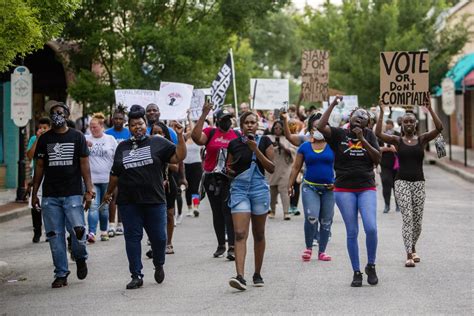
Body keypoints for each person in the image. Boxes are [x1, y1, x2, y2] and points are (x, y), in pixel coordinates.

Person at [102, 105, 186, 289]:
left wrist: (180, 137)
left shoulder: (157, 142)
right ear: (129, 127)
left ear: (145, 124)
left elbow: (179, 156)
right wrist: (108, 193)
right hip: (128, 202)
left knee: (159, 238)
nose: (137, 127)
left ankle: (159, 263)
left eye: (140, 123)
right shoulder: (122, 147)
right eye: (133, 125)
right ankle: (136, 275)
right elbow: (115, 174)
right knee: (132, 238)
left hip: (154, 201)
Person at [317, 96, 381, 287]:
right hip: (344, 188)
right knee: (352, 231)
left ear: (367, 123)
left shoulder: (369, 135)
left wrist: (363, 139)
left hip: (366, 186)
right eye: (357, 115)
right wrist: (333, 104)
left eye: (364, 117)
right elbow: (321, 126)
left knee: (371, 227)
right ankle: (356, 271)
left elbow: (377, 158)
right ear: (350, 117)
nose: (360, 118)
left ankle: (371, 265)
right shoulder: (338, 134)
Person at [31, 100, 95, 288]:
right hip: (51, 195)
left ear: (66, 115)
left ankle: (81, 256)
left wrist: (89, 190)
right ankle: (61, 273)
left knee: (78, 231)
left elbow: (85, 165)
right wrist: (35, 193)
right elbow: (40, 167)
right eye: (53, 113)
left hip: (73, 193)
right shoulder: (44, 139)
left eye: (59, 112)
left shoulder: (77, 137)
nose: (56, 115)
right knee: (54, 235)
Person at [375, 97, 443, 267]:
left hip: (419, 183)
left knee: (417, 221)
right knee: (408, 218)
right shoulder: (397, 140)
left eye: (411, 121)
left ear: (415, 124)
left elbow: (439, 128)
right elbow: (378, 134)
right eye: (405, 121)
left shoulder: (422, 140)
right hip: (402, 182)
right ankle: (408, 255)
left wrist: (430, 109)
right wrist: (382, 112)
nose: (409, 124)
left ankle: (413, 247)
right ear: (402, 124)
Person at [227, 111, 274, 291]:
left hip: (259, 189)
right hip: (239, 189)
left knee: (259, 233)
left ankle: (257, 273)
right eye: (246, 122)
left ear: (257, 125)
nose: (249, 125)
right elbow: (229, 167)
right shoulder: (234, 144)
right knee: (239, 233)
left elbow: (271, 167)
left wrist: (256, 150)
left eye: (252, 122)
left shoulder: (264, 141)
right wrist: (227, 171)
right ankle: (240, 276)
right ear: (241, 126)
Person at [191, 102, 240, 260]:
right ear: (218, 120)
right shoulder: (210, 132)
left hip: (229, 179)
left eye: (229, 118)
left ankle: (232, 246)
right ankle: (221, 245)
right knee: (217, 212)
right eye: (224, 118)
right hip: (212, 178)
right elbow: (196, 138)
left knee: (228, 211)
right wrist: (204, 114)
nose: (227, 121)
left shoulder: (237, 135)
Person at [288, 113, 335, 262]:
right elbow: (296, 167)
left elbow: (342, 167)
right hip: (310, 187)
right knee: (312, 216)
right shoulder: (305, 146)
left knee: (326, 220)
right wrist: (290, 184)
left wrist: (337, 182)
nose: (318, 129)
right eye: (315, 126)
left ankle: (322, 251)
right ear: (311, 129)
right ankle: (308, 248)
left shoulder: (333, 145)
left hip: (329, 189)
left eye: (321, 125)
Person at [85, 113, 118, 242]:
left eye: (95, 127)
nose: (92, 129)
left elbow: (117, 158)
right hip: (92, 180)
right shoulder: (86, 139)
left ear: (101, 126)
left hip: (107, 179)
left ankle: (103, 231)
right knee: (93, 206)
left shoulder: (110, 139)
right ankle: (91, 233)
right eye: (90, 127)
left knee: (104, 208)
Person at [151, 121, 179, 255]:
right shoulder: (147, 147)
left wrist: (163, 160)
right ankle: (156, 243)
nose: (157, 135)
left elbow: (176, 166)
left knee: (169, 214)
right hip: (152, 185)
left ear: (165, 134)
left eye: (159, 133)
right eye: (154, 133)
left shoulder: (169, 147)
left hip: (168, 185)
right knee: (154, 216)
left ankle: (169, 243)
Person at [105, 105, 130, 237]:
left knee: (123, 196)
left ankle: (121, 223)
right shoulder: (107, 133)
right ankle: (111, 224)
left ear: (124, 120)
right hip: (112, 169)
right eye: (116, 118)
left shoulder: (128, 132)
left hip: (127, 169)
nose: (118, 121)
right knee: (112, 195)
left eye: (120, 118)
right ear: (112, 119)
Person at [26, 117, 51, 243]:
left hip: (51, 173)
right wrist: (38, 140)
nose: (42, 130)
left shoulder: (53, 138)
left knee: (49, 203)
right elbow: (30, 155)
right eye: (40, 128)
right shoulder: (33, 139)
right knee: (35, 203)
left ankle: (49, 231)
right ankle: (37, 230)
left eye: (45, 128)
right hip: (37, 173)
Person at [266, 120, 295, 220]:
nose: (277, 129)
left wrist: (283, 147)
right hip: (272, 168)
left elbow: (293, 151)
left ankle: (286, 212)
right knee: (272, 190)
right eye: (276, 128)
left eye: (280, 128)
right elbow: (264, 151)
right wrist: (273, 146)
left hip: (285, 168)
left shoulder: (287, 138)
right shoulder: (268, 138)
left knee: (285, 190)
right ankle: (272, 211)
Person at [378, 119, 400, 213]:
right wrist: (386, 149)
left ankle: (398, 205)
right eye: (387, 124)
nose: (388, 126)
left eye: (390, 124)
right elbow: (376, 148)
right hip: (385, 164)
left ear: (393, 125)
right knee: (386, 184)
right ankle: (387, 205)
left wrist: (395, 149)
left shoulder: (397, 135)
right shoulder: (381, 136)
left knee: (397, 186)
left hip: (397, 165)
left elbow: (403, 147)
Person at [183, 114, 203, 217]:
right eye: (188, 128)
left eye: (191, 128)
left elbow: (194, 129)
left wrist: (190, 117)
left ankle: (196, 208)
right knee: (188, 189)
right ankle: (189, 208)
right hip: (185, 166)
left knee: (195, 188)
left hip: (196, 165)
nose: (190, 129)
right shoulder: (184, 140)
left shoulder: (197, 140)